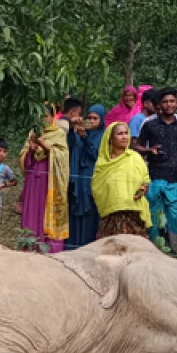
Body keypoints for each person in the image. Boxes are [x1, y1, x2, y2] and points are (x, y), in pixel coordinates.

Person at [134, 89, 177, 247]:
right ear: (160, 105)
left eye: (172, 101)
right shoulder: (150, 125)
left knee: (174, 214)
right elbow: (136, 146)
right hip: (153, 177)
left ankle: (176, 249)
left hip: (174, 178)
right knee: (154, 214)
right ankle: (154, 248)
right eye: (165, 102)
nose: (169, 104)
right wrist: (149, 150)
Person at [16, 107, 69, 249]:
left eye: (45, 116)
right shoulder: (32, 133)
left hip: (50, 181)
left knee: (46, 211)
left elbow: (62, 158)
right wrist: (30, 151)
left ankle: (50, 248)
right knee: (32, 211)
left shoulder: (59, 134)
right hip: (33, 180)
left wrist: (42, 144)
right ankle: (29, 245)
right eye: (39, 116)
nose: (42, 120)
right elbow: (23, 160)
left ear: (53, 117)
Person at [92, 121, 152, 237]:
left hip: (133, 213)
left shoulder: (135, 157)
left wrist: (143, 189)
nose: (124, 137)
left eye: (126, 133)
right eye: (120, 134)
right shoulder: (103, 163)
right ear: (110, 138)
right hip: (111, 215)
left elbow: (145, 180)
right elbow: (97, 187)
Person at [66, 105, 105, 249]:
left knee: (90, 211)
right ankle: (72, 247)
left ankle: (88, 247)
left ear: (101, 120)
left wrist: (85, 138)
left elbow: (96, 155)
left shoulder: (104, 136)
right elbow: (70, 147)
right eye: (89, 118)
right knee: (75, 210)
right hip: (77, 178)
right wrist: (72, 129)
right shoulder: (79, 132)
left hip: (91, 177)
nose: (92, 121)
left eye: (95, 118)